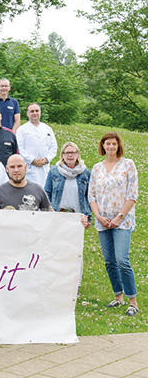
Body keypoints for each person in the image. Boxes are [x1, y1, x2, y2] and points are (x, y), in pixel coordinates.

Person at [89, 132, 139, 317]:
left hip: (122, 220)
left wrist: (119, 217)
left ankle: (132, 301)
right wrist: (98, 216)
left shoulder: (128, 165)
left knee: (121, 260)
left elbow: (132, 194)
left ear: (118, 146)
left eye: (113, 144)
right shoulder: (97, 168)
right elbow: (91, 195)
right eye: (107, 144)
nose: (110, 147)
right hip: (103, 220)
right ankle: (118, 297)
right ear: (102, 146)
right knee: (109, 261)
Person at [44, 141, 92, 227]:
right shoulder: (54, 171)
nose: (70, 155)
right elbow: (46, 193)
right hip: (57, 215)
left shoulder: (85, 172)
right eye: (67, 153)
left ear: (77, 154)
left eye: (73, 153)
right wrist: (49, 212)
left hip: (78, 217)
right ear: (62, 155)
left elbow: (90, 196)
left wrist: (88, 216)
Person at [16, 103, 58, 186]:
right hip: (30, 168)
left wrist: (46, 159)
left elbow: (53, 147)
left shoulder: (47, 129)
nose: (35, 113)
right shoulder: (22, 130)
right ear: (27, 114)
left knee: (44, 192)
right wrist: (32, 160)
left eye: (37, 111)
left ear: (40, 112)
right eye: (32, 111)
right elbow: (19, 148)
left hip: (44, 167)